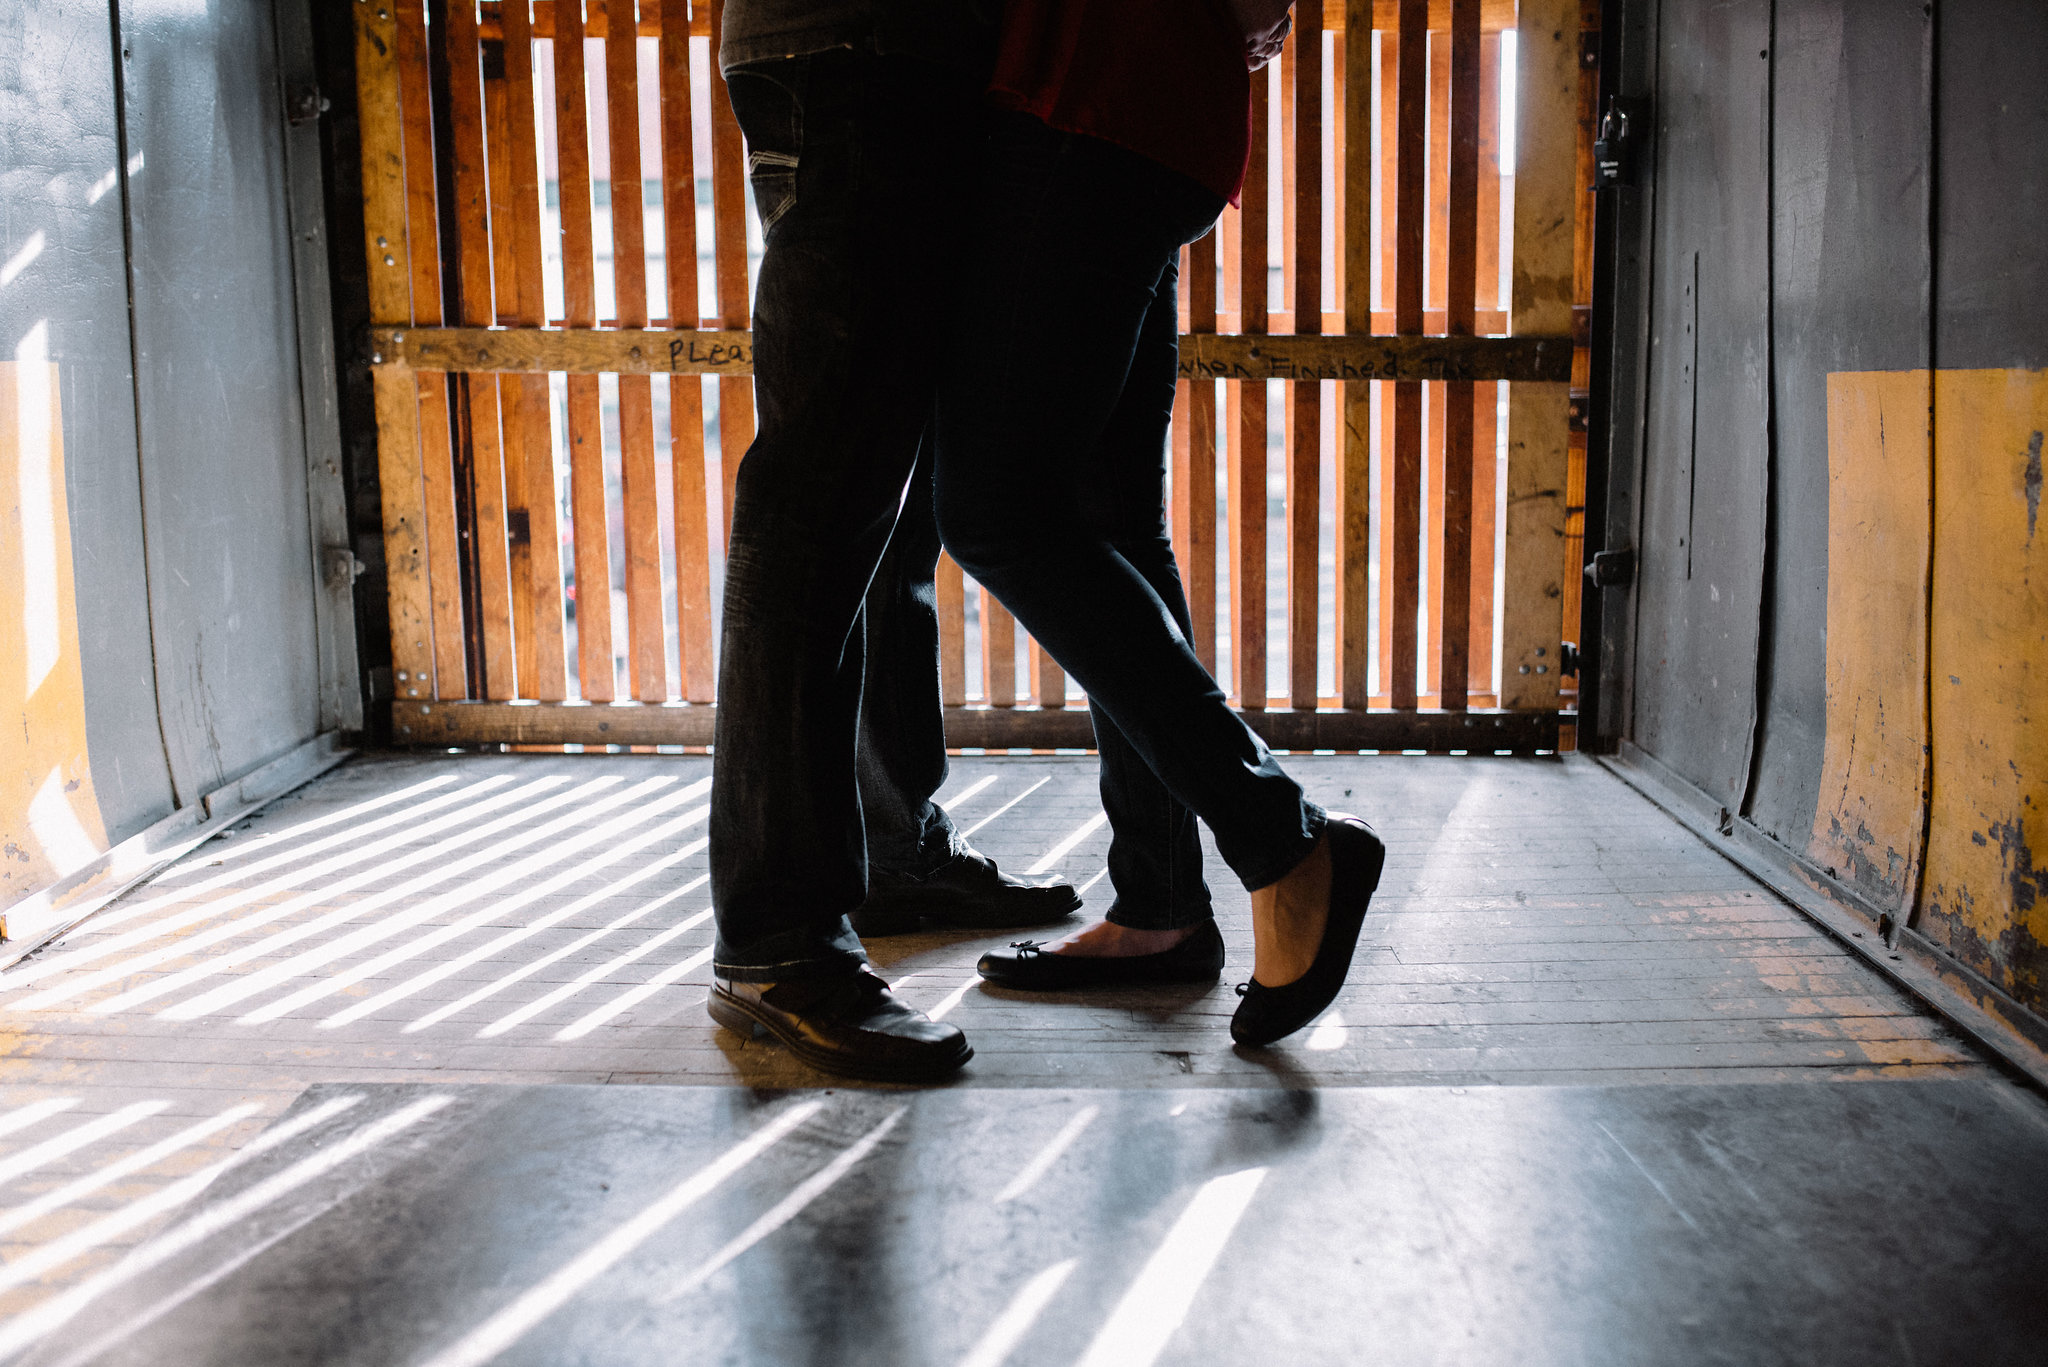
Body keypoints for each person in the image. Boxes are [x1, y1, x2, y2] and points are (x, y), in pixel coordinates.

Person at [933, 0, 1386, 1045]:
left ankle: (1277, 837)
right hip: (1149, 103)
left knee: (998, 509)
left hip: (1082, 92)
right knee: (1105, 520)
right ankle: (1159, 904)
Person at [705, 0, 1082, 1084]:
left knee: (876, 498)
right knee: (816, 500)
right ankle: (775, 940)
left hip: (863, 51)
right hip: (866, 50)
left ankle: (891, 853)